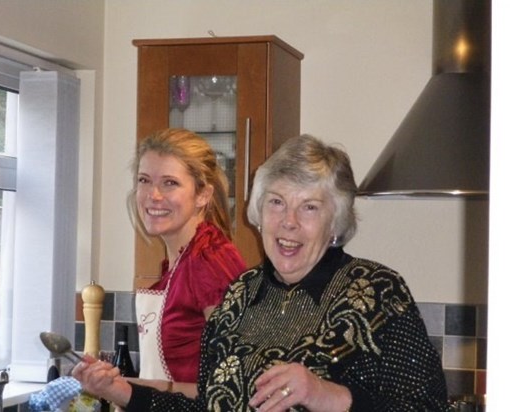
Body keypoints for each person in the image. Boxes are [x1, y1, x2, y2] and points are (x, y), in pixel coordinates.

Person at [73, 134, 450, 411]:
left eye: (310, 208)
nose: (288, 223)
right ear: (258, 212)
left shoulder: (375, 291)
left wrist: (326, 394)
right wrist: (120, 391)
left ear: (335, 220)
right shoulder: (241, 294)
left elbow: (426, 407)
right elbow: (205, 405)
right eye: (276, 203)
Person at [125, 128, 246, 397]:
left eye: (170, 183)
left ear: (203, 194)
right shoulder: (180, 260)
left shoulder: (209, 261)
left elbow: (233, 386)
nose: (153, 195)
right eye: (144, 180)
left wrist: (131, 391)